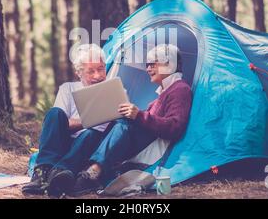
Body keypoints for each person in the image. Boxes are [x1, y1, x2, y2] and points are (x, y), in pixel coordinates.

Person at [73, 44, 192, 195]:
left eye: (152, 64)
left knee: (126, 122)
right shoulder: (164, 93)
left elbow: (174, 127)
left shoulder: (180, 89)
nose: (147, 69)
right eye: (146, 65)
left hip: (155, 149)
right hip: (143, 142)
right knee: (111, 124)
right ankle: (82, 170)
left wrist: (139, 115)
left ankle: (94, 172)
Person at [22, 44, 109, 196]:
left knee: (90, 133)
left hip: (90, 147)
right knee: (55, 113)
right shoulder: (68, 89)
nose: (98, 75)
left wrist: (84, 122)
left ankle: (60, 172)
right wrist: (92, 118)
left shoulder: (113, 91)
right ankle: (42, 172)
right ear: (79, 73)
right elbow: (60, 122)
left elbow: (108, 128)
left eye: (101, 68)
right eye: (91, 71)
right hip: (66, 144)